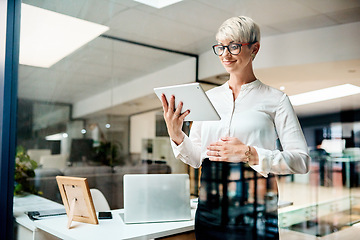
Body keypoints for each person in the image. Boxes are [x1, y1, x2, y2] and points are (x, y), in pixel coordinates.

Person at [160, 16, 310, 240]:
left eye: (234, 46)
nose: (225, 55)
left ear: (254, 48)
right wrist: (176, 134)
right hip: (210, 206)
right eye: (220, 47)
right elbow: (196, 158)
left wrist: (250, 153)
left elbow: (301, 161)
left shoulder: (276, 100)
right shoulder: (208, 98)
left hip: (255, 207)